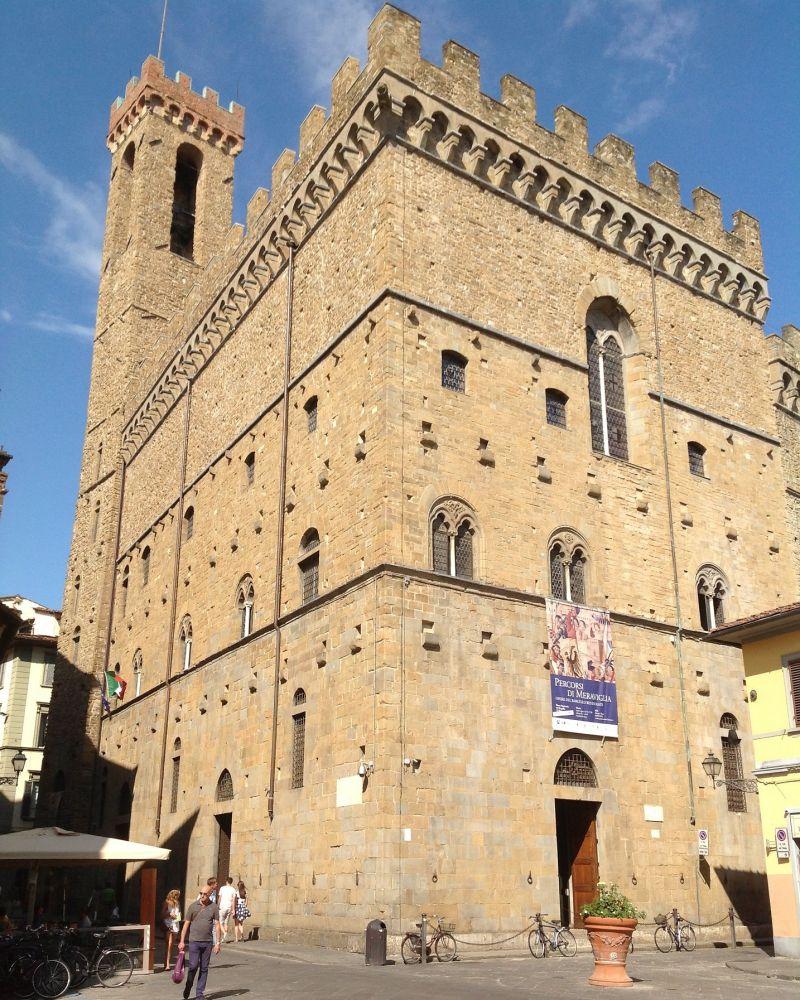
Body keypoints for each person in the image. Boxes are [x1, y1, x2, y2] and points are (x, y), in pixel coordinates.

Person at [178, 887, 221, 1000]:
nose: (202, 895)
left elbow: (217, 925)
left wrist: (217, 943)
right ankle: (188, 985)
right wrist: (182, 941)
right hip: (194, 941)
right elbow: (186, 924)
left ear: (210, 894)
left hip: (207, 942)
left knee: (204, 968)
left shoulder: (214, 907)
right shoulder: (193, 906)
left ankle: (199, 994)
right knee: (193, 966)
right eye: (200, 893)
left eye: (204, 894)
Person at [161, 888, 182, 972]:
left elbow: (179, 912)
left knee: (172, 945)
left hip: (175, 924)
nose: (177, 897)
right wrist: (169, 914)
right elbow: (162, 914)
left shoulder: (178, 903)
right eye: (176, 896)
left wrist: (179, 916)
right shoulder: (166, 903)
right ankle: (167, 964)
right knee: (169, 944)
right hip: (168, 924)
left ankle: (167, 962)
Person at [217, 878, 237, 943]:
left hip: (222, 907)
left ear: (226, 881)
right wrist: (233, 909)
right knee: (226, 923)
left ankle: (225, 933)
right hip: (229, 907)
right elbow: (233, 901)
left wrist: (217, 905)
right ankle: (224, 938)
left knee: (220, 922)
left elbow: (220, 898)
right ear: (231, 882)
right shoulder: (233, 889)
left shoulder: (222, 888)